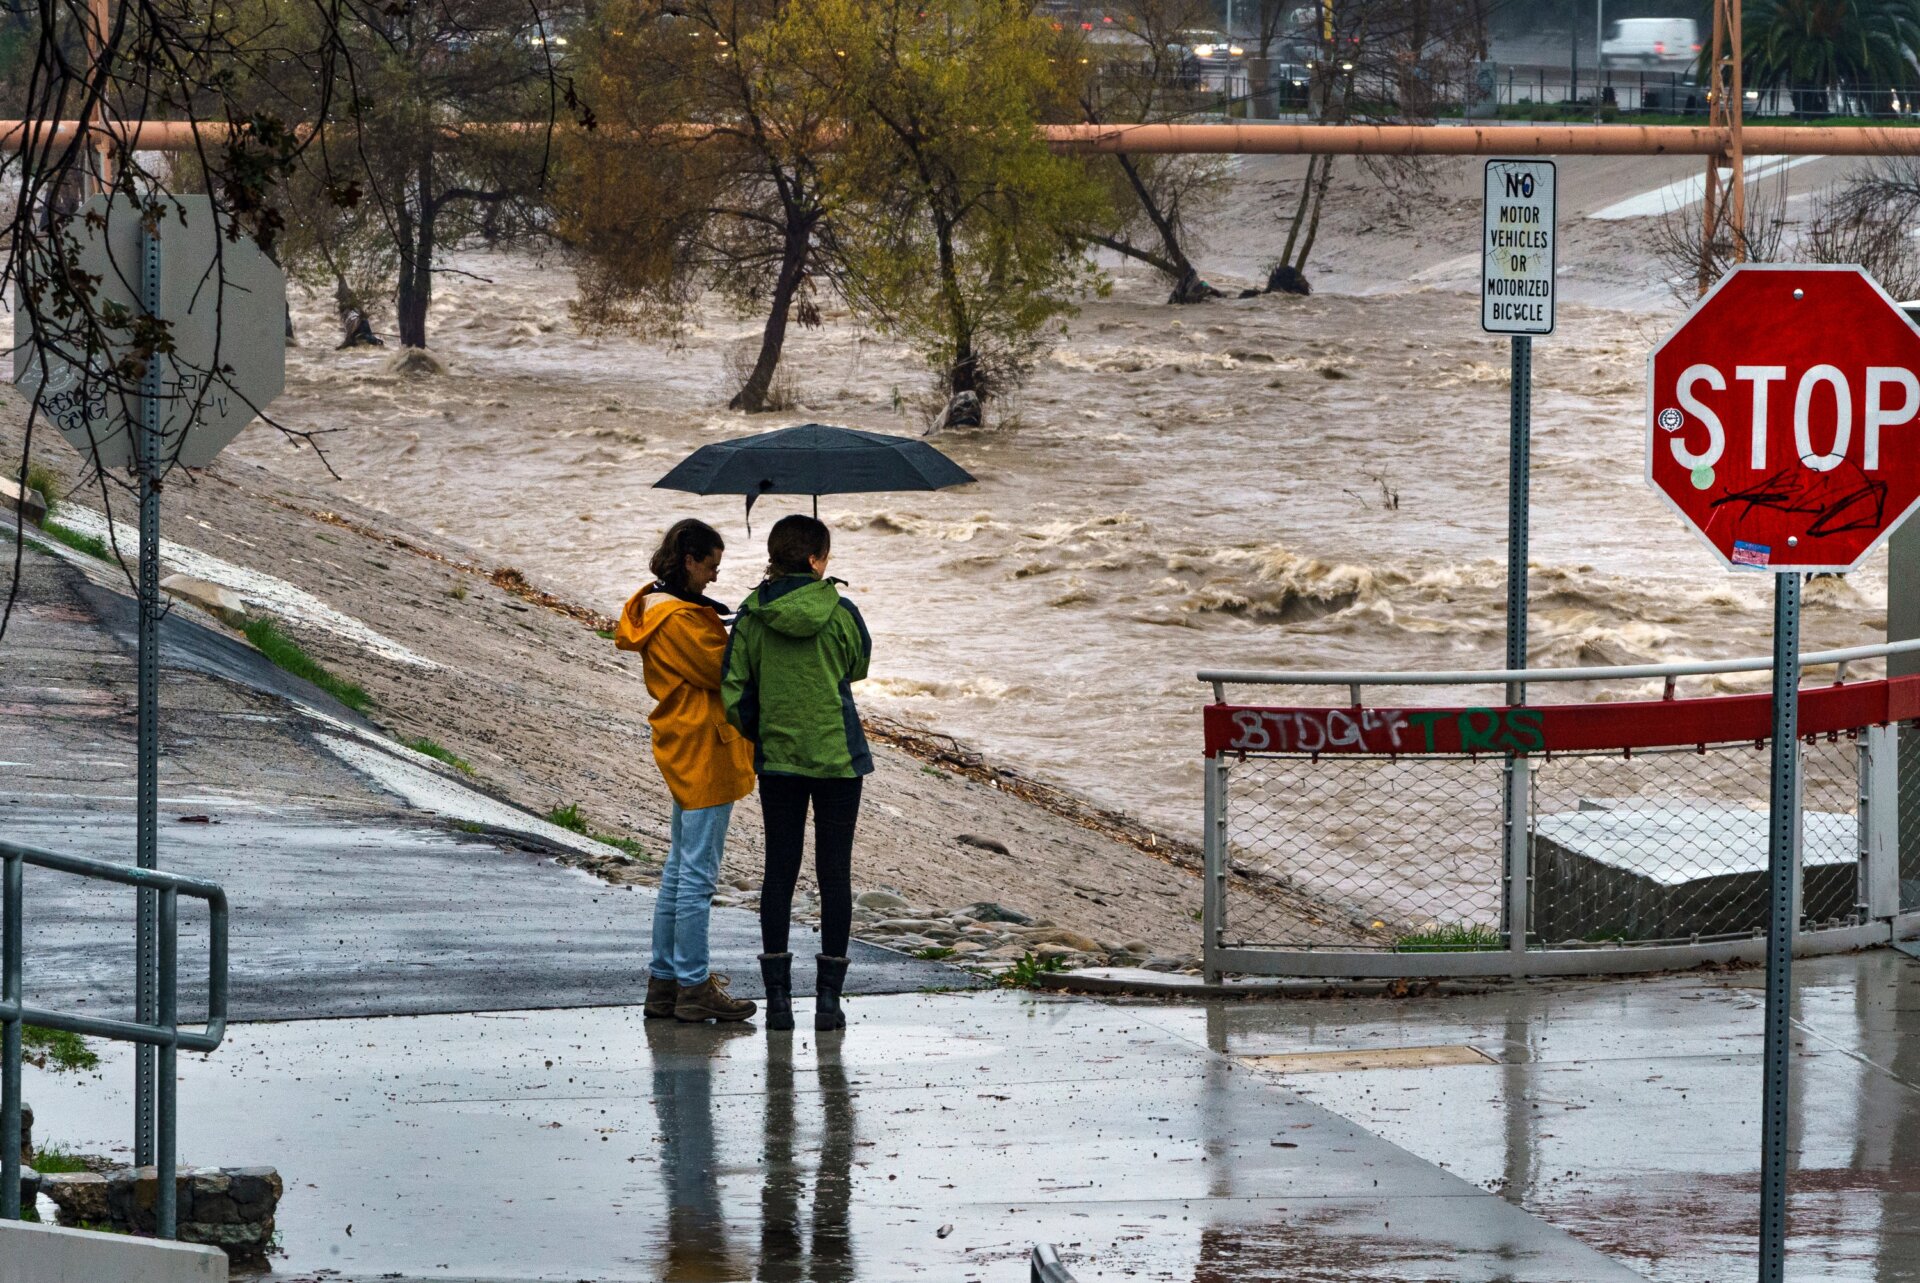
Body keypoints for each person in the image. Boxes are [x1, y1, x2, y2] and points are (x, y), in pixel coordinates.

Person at [722, 515, 872, 1033]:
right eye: (824, 555)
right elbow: (857, 667)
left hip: (779, 762)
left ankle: (779, 1002)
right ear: (813, 561)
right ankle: (828, 1004)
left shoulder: (751, 615)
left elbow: (735, 691)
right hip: (838, 760)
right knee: (835, 874)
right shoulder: (842, 612)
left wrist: (763, 734)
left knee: (779, 872)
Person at [617, 519, 758, 1024]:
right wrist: (747, 628)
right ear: (691, 559)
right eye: (712, 567)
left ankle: (665, 983)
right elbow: (724, 671)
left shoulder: (655, 605)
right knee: (696, 876)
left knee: (679, 872)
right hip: (705, 746)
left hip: (684, 739)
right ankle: (694, 985)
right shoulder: (680, 619)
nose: (715, 580)